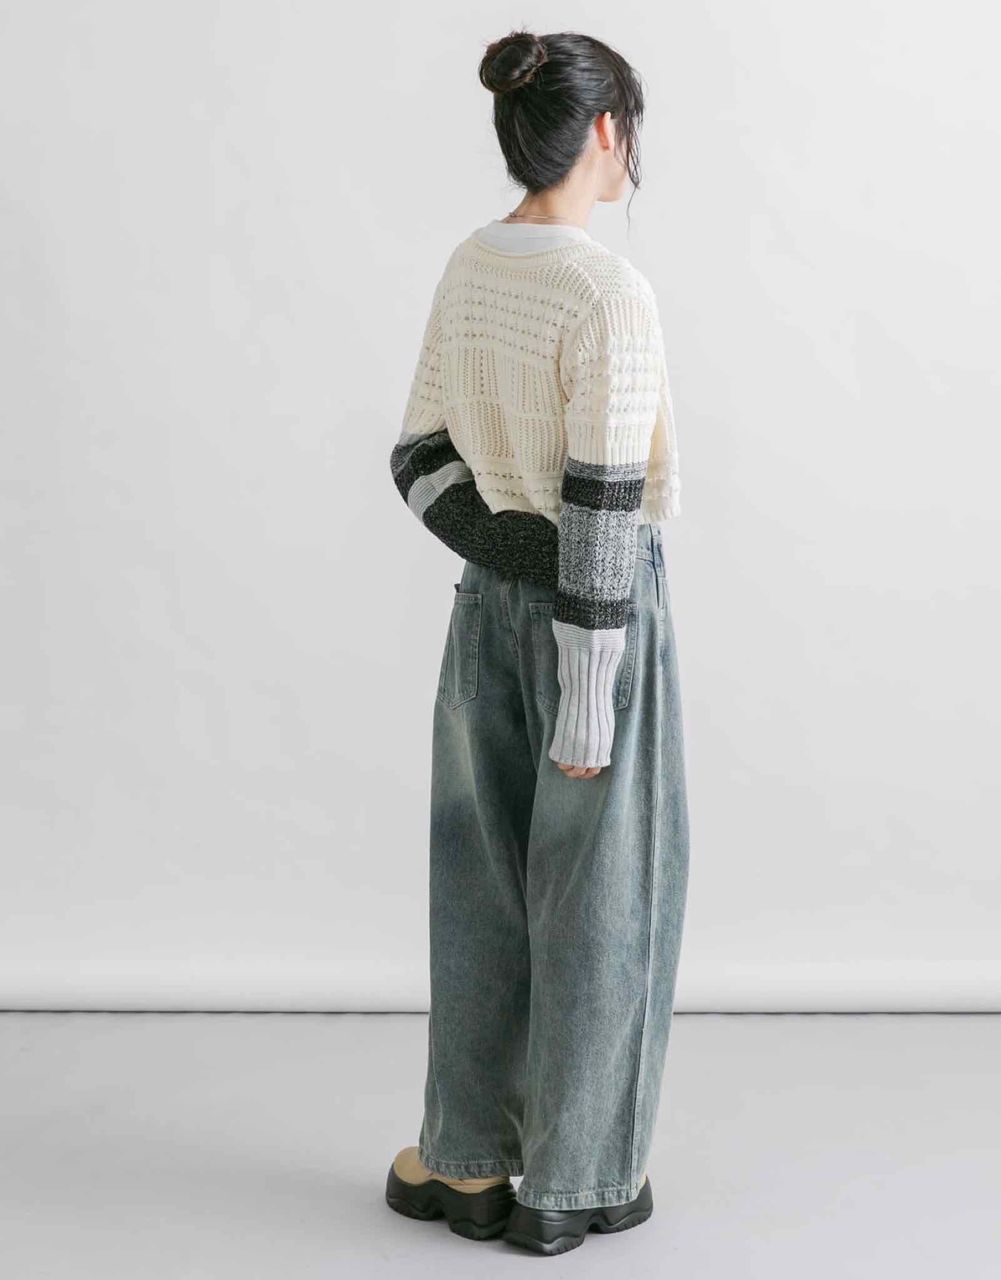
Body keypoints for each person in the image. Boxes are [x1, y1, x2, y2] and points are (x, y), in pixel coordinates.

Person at [384, 28, 690, 1257]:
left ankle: (461, 1157)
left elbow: (416, 456)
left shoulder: (472, 266)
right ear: (606, 129)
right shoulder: (605, 290)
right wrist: (586, 684)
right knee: (602, 895)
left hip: (484, 610)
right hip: (592, 622)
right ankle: (575, 1174)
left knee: (478, 887)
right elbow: (603, 503)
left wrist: (506, 552)